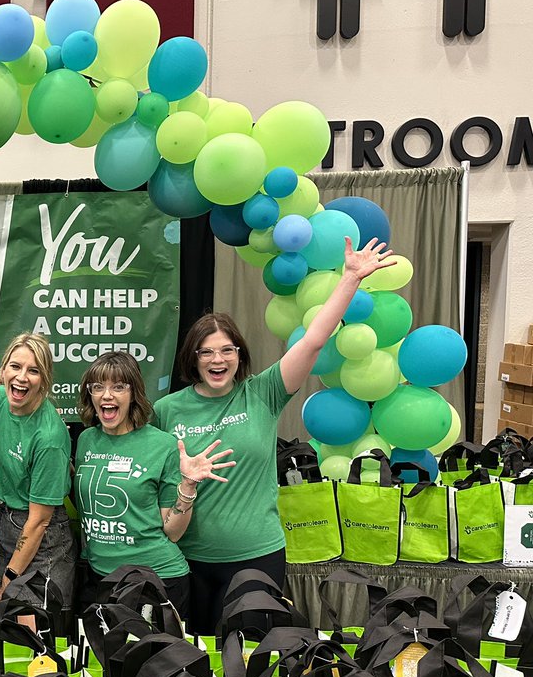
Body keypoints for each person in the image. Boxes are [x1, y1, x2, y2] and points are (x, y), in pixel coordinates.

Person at [152, 238, 395, 633]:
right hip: (186, 560)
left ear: (240, 355)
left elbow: (313, 341)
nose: (217, 359)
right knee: (193, 658)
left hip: (255, 558)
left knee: (250, 659)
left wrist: (350, 278)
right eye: (206, 352)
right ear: (192, 358)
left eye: (227, 350)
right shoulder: (167, 410)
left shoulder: (263, 392)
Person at [74, 352, 234, 617]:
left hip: (155, 580)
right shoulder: (86, 440)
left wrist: (189, 486)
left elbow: (173, 532)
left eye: (118, 387)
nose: (107, 395)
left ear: (134, 393)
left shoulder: (162, 445)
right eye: (98, 387)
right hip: (99, 575)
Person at [0, 333, 74, 616]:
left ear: (44, 379)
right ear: (3, 370)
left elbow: (39, 521)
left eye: (33, 371)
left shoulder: (49, 437)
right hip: (2, 522)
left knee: (26, 631)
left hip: (42, 539)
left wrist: (10, 577)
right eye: (15, 366)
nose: (21, 377)